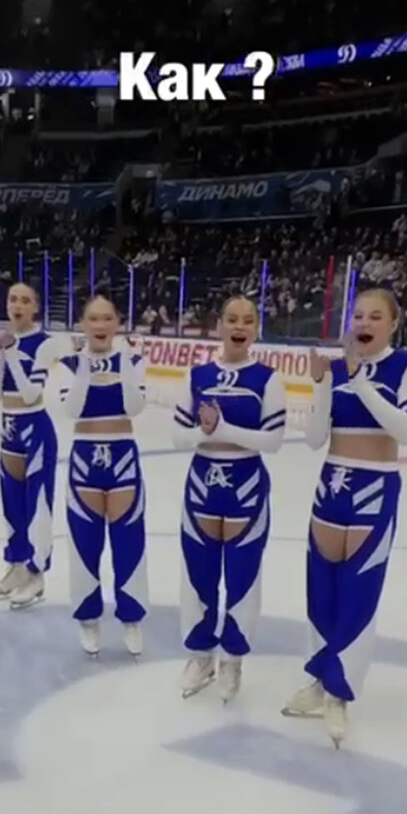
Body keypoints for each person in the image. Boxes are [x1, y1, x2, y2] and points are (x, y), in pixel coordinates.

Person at [282, 288, 407, 746]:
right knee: (321, 588)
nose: (364, 322)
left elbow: (406, 430)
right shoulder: (337, 369)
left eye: (375, 316)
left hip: (375, 487)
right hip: (331, 485)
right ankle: (319, 676)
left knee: (359, 593)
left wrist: (361, 381)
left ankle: (340, 692)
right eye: (358, 315)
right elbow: (314, 438)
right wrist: (322, 384)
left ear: (393, 323)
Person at [172, 295, 286, 703]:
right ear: (219, 325)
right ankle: (201, 656)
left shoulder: (268, 380)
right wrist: (205, 433)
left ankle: (233, 659)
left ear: (256, 328)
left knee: (243, 578)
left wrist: (221, 429)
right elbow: (178, 436)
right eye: (232, 319)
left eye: (248, 320)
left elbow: (272, 441)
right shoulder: (197, 375)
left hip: (247, 486)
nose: (239, 327)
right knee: (197, 576)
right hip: (202, 485)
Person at [55, 295, 147, 656]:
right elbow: (72, 409)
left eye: (107, 318)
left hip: (123, 455)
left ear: (117, 323)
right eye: (93, 318)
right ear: (82, 324)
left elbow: (134, 407)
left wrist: (125, 363)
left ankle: (132, 618)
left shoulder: (133, 361)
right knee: (85, 543)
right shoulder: (68, 365)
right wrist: (83, 366)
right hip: (85, 457)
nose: (100, 325)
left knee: (129, 542)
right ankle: (88, 617)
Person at [0, 282, 64, 609]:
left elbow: (31, 394)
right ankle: (16, 564)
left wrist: (12, 353)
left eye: (25, 300)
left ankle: (36, 572)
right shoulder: (5, 341)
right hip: (9, 427)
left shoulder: (45, 343)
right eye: (13, 299)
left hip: (35, 428)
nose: (17, 305)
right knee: (12, 503)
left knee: (37, 506)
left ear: (36, 307)